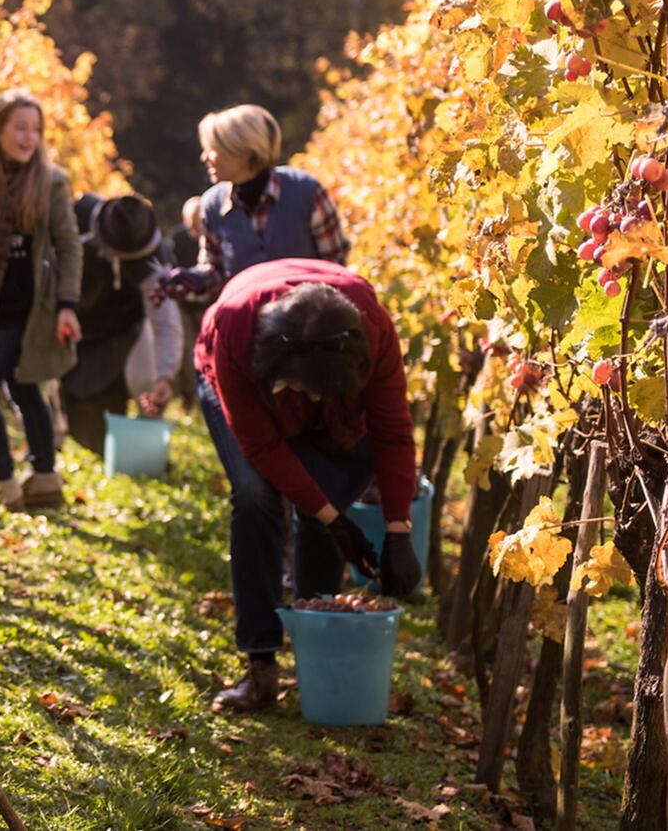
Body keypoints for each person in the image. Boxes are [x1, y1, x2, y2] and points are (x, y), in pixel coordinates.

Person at [194, 258, 423, 712]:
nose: (313, 401)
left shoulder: (372, 332)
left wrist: (398, 530)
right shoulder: (236, 328)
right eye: (306, 391)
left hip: (337, 397)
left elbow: (392, 432)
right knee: (256, 496)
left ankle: (314, 653)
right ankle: (260, 666)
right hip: (234, 374)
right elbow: (260, 446)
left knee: (324, 504)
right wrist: (332, 518)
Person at [0, 89, 84, 510]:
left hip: (29, 310)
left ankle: (4, 480)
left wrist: (67, 304)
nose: (29, 138)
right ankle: (44, 478)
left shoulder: (50, 181)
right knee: (24, 390)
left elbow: (68, 246)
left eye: (35, 130)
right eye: (20, 127)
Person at [163, 104, 349, 301]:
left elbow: (335, 263)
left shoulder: (307, 192)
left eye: (213, 149)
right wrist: (186, 282)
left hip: (311, 318)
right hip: (249, 325)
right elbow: (214, 273)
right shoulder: (212, 206)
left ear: (244, 151)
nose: (205, 157)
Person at [57, 193, 183, 454]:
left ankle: (148, 450)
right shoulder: (74, 220)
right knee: (86, 421)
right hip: (80, 331)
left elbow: (165, 322)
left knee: (147, 382)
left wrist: (165, 375)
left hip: (128, 330)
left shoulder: (152, 261)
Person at [169, 196, 208, 411]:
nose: (195, 230)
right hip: (183, 304)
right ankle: (189, 398)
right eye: (191, 225)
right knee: (187, 352)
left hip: (209, 304)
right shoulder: (177, 239)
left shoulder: (213, 236)